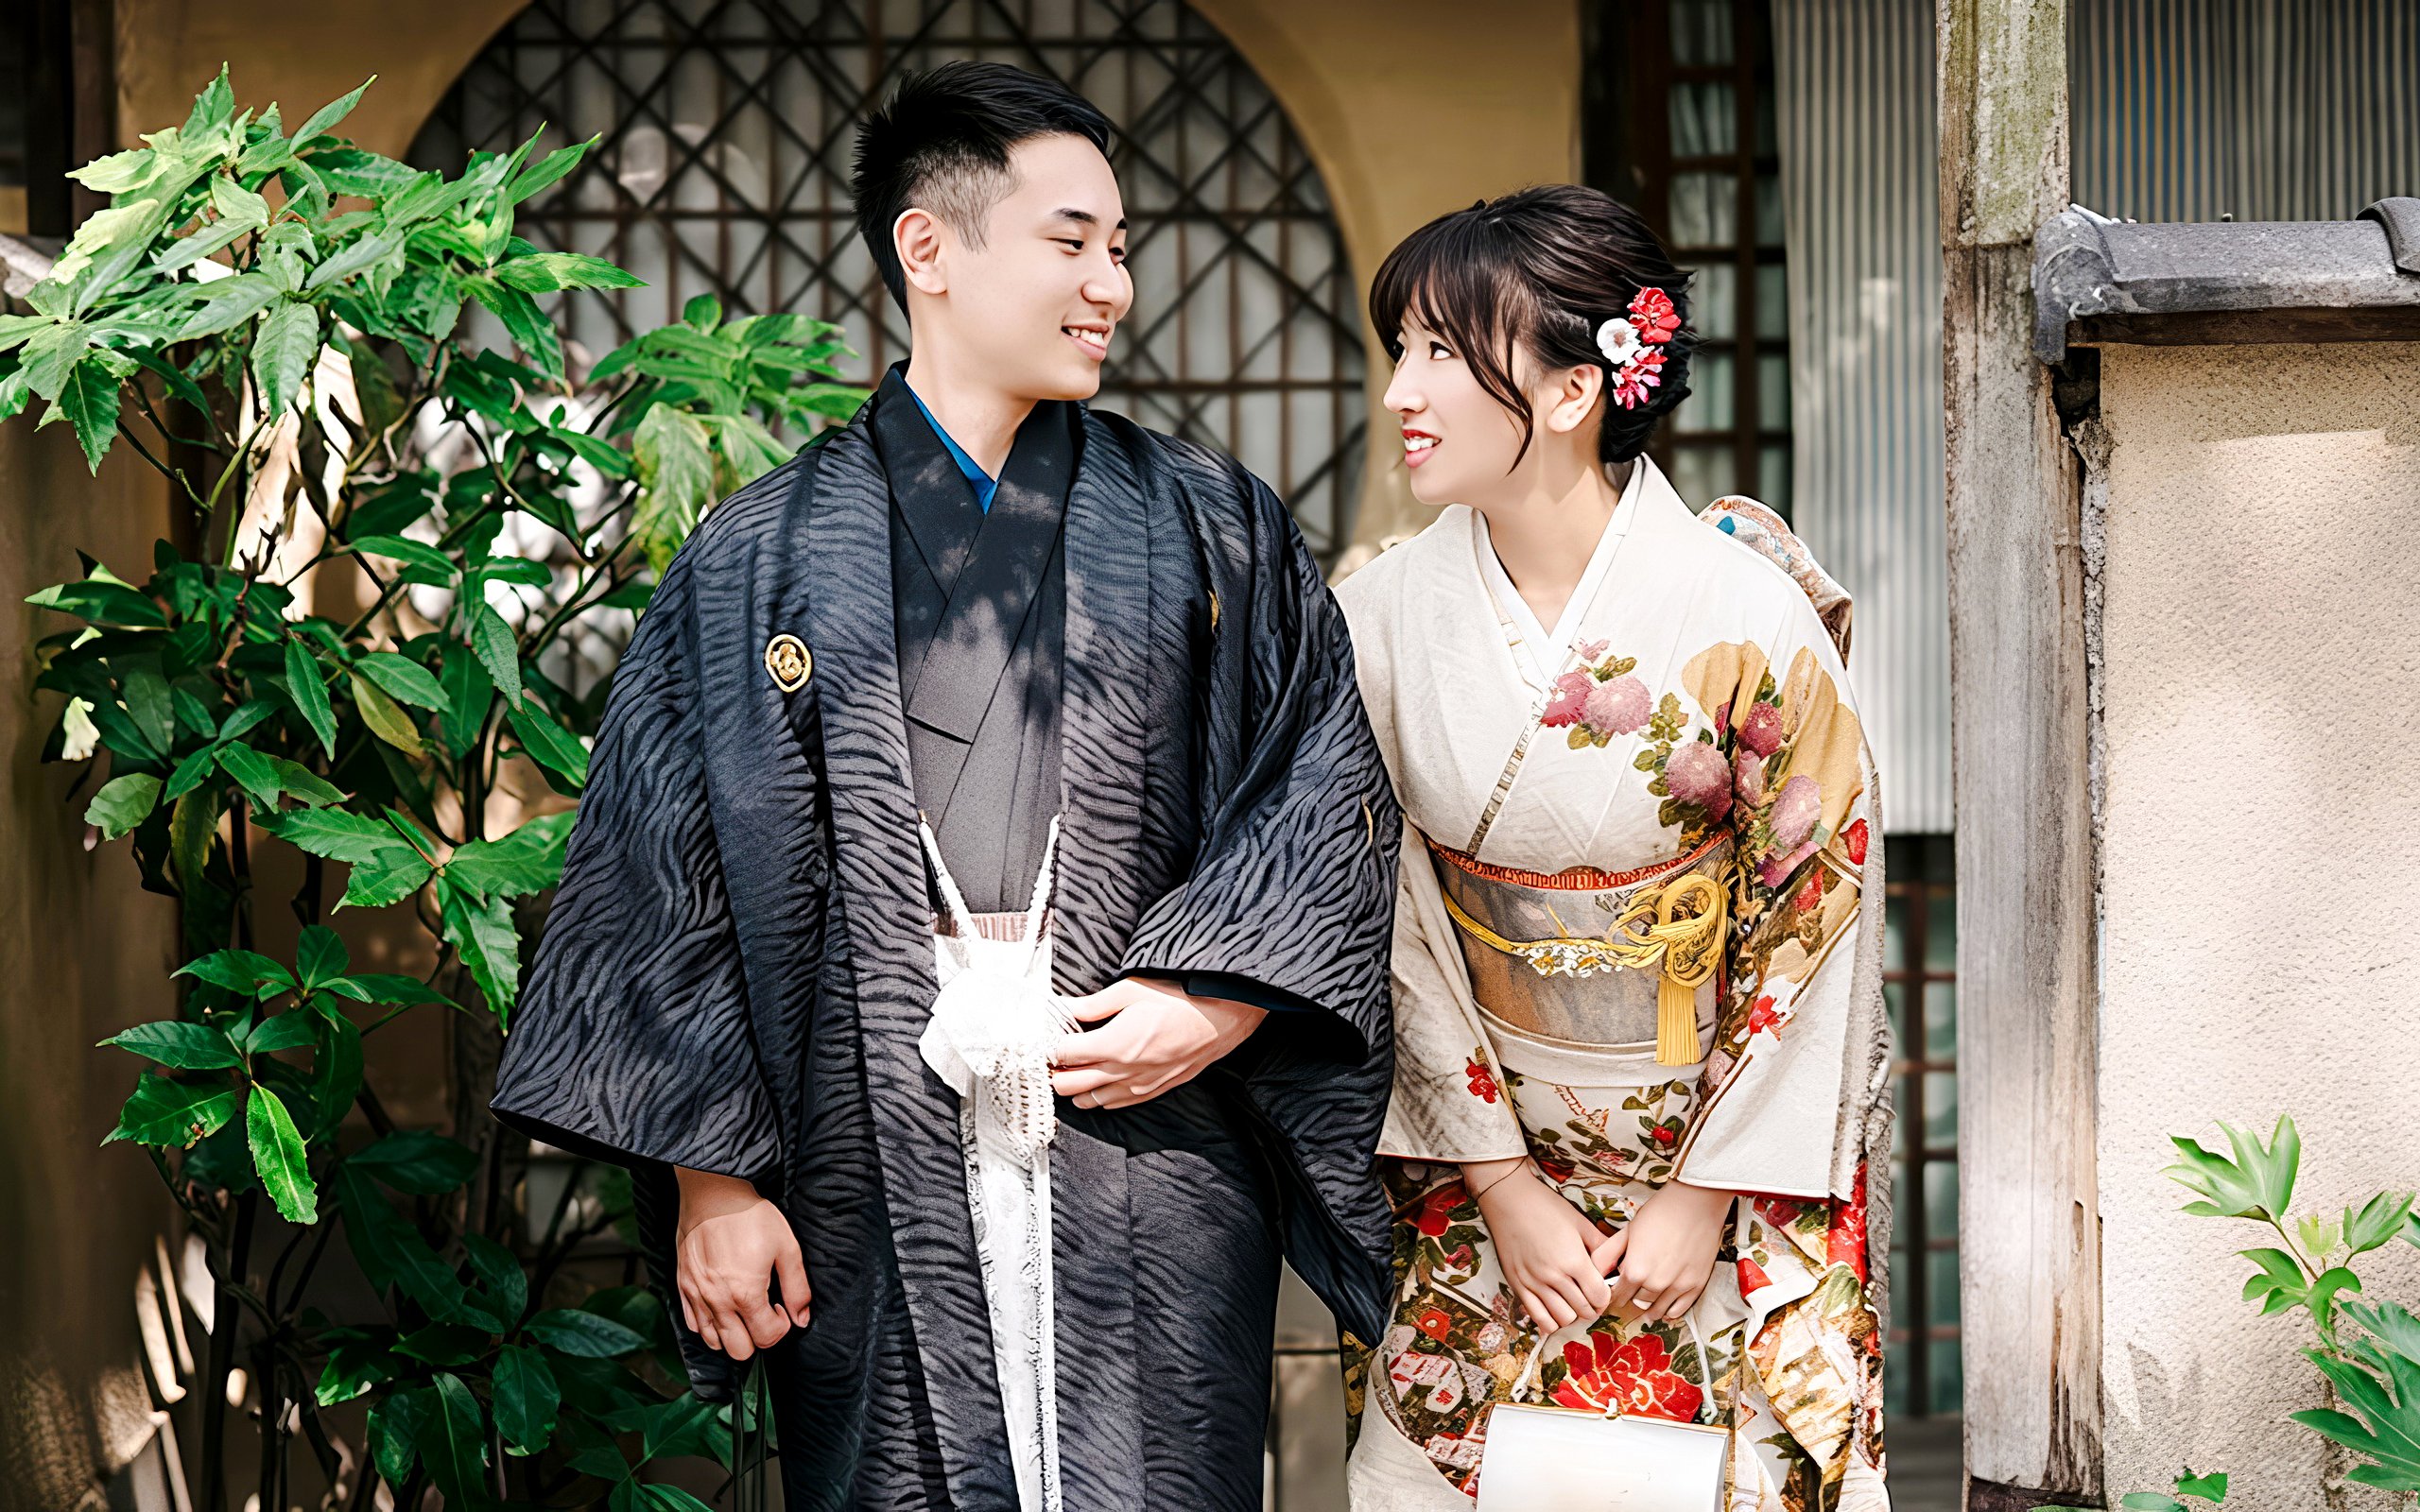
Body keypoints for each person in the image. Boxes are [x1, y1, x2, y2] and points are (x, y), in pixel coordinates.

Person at [492, 61, 1399, 1512]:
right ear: (931, 249)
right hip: (870, 1151)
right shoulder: (759, 557)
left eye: (1119, 246)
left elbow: (1320, 784)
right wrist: (714, 1187)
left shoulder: (1205, 524)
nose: (1112, 280)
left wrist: (1221, 997)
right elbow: (662, 873)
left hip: (1148, 1132)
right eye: (1071, 241)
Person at [1333, 185, 1892, 1509]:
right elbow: (1387, 904)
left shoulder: (1745, 614)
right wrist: (1502, 1182)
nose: (1402, 390)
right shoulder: (1378, 618)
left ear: (1575, 391)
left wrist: (1702, 1194)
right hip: (1486, 1171)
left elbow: (1816, 914)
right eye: (1396, 350)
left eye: (1437, 353)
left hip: (1722, 1164)